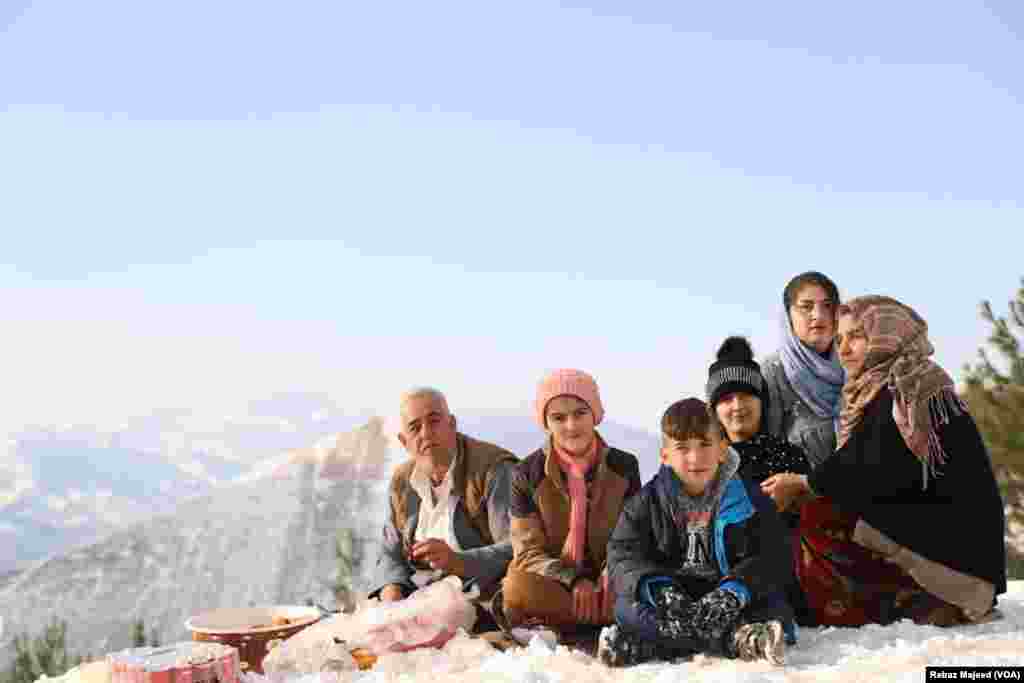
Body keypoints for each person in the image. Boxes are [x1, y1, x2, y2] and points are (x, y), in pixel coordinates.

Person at [771, 297, 1007, 626]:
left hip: (960, 568)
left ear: (886, 334)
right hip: (953, 555)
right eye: (839, 340)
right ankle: (909, 598)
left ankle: (908, 601)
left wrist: (803, 483)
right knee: (826, 507)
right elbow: (872, 466)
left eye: (856, 336)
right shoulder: (890, 385)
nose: (845, 349)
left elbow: (870, 461)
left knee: (820, 513)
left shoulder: (908, 387)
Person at [599, 398, 795, 668]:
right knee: (626, 607)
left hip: (727, 596)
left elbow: (775, 555)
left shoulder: (749, 498)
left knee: (773, 605)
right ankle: (737, 640)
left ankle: (652, 644)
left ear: (723, 450)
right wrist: (657, 588)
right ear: (665, 455)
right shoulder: (646, 501)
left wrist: (734, 591)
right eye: (682, 448)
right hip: (673, 600)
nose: (695, 457)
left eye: (705, 444)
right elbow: (623, 553)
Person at [492, 369, 642, 640]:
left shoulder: (624, 466)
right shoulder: (526, 474)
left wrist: (611, 573)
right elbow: (528, 552)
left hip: (611, 581)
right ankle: (606, 619)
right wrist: (574, 580)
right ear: (546, 422)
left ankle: (579, 619)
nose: (571, 426)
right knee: (516, 586)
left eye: (579, 413)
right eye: (559, 418)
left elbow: (633, 537)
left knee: (647, 579)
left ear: (594, 414)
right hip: (558, 583)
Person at [370, 387, 518, 634]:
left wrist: (458, 561)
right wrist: (392, 593)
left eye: (434, 421)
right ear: (404, 442)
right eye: (415, 427)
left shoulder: (494, 470)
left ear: (452, 424)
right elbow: (389, 552)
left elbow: (518, 546)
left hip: (483, 599)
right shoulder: (402, 481)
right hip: (420, 600)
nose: (426, 434)